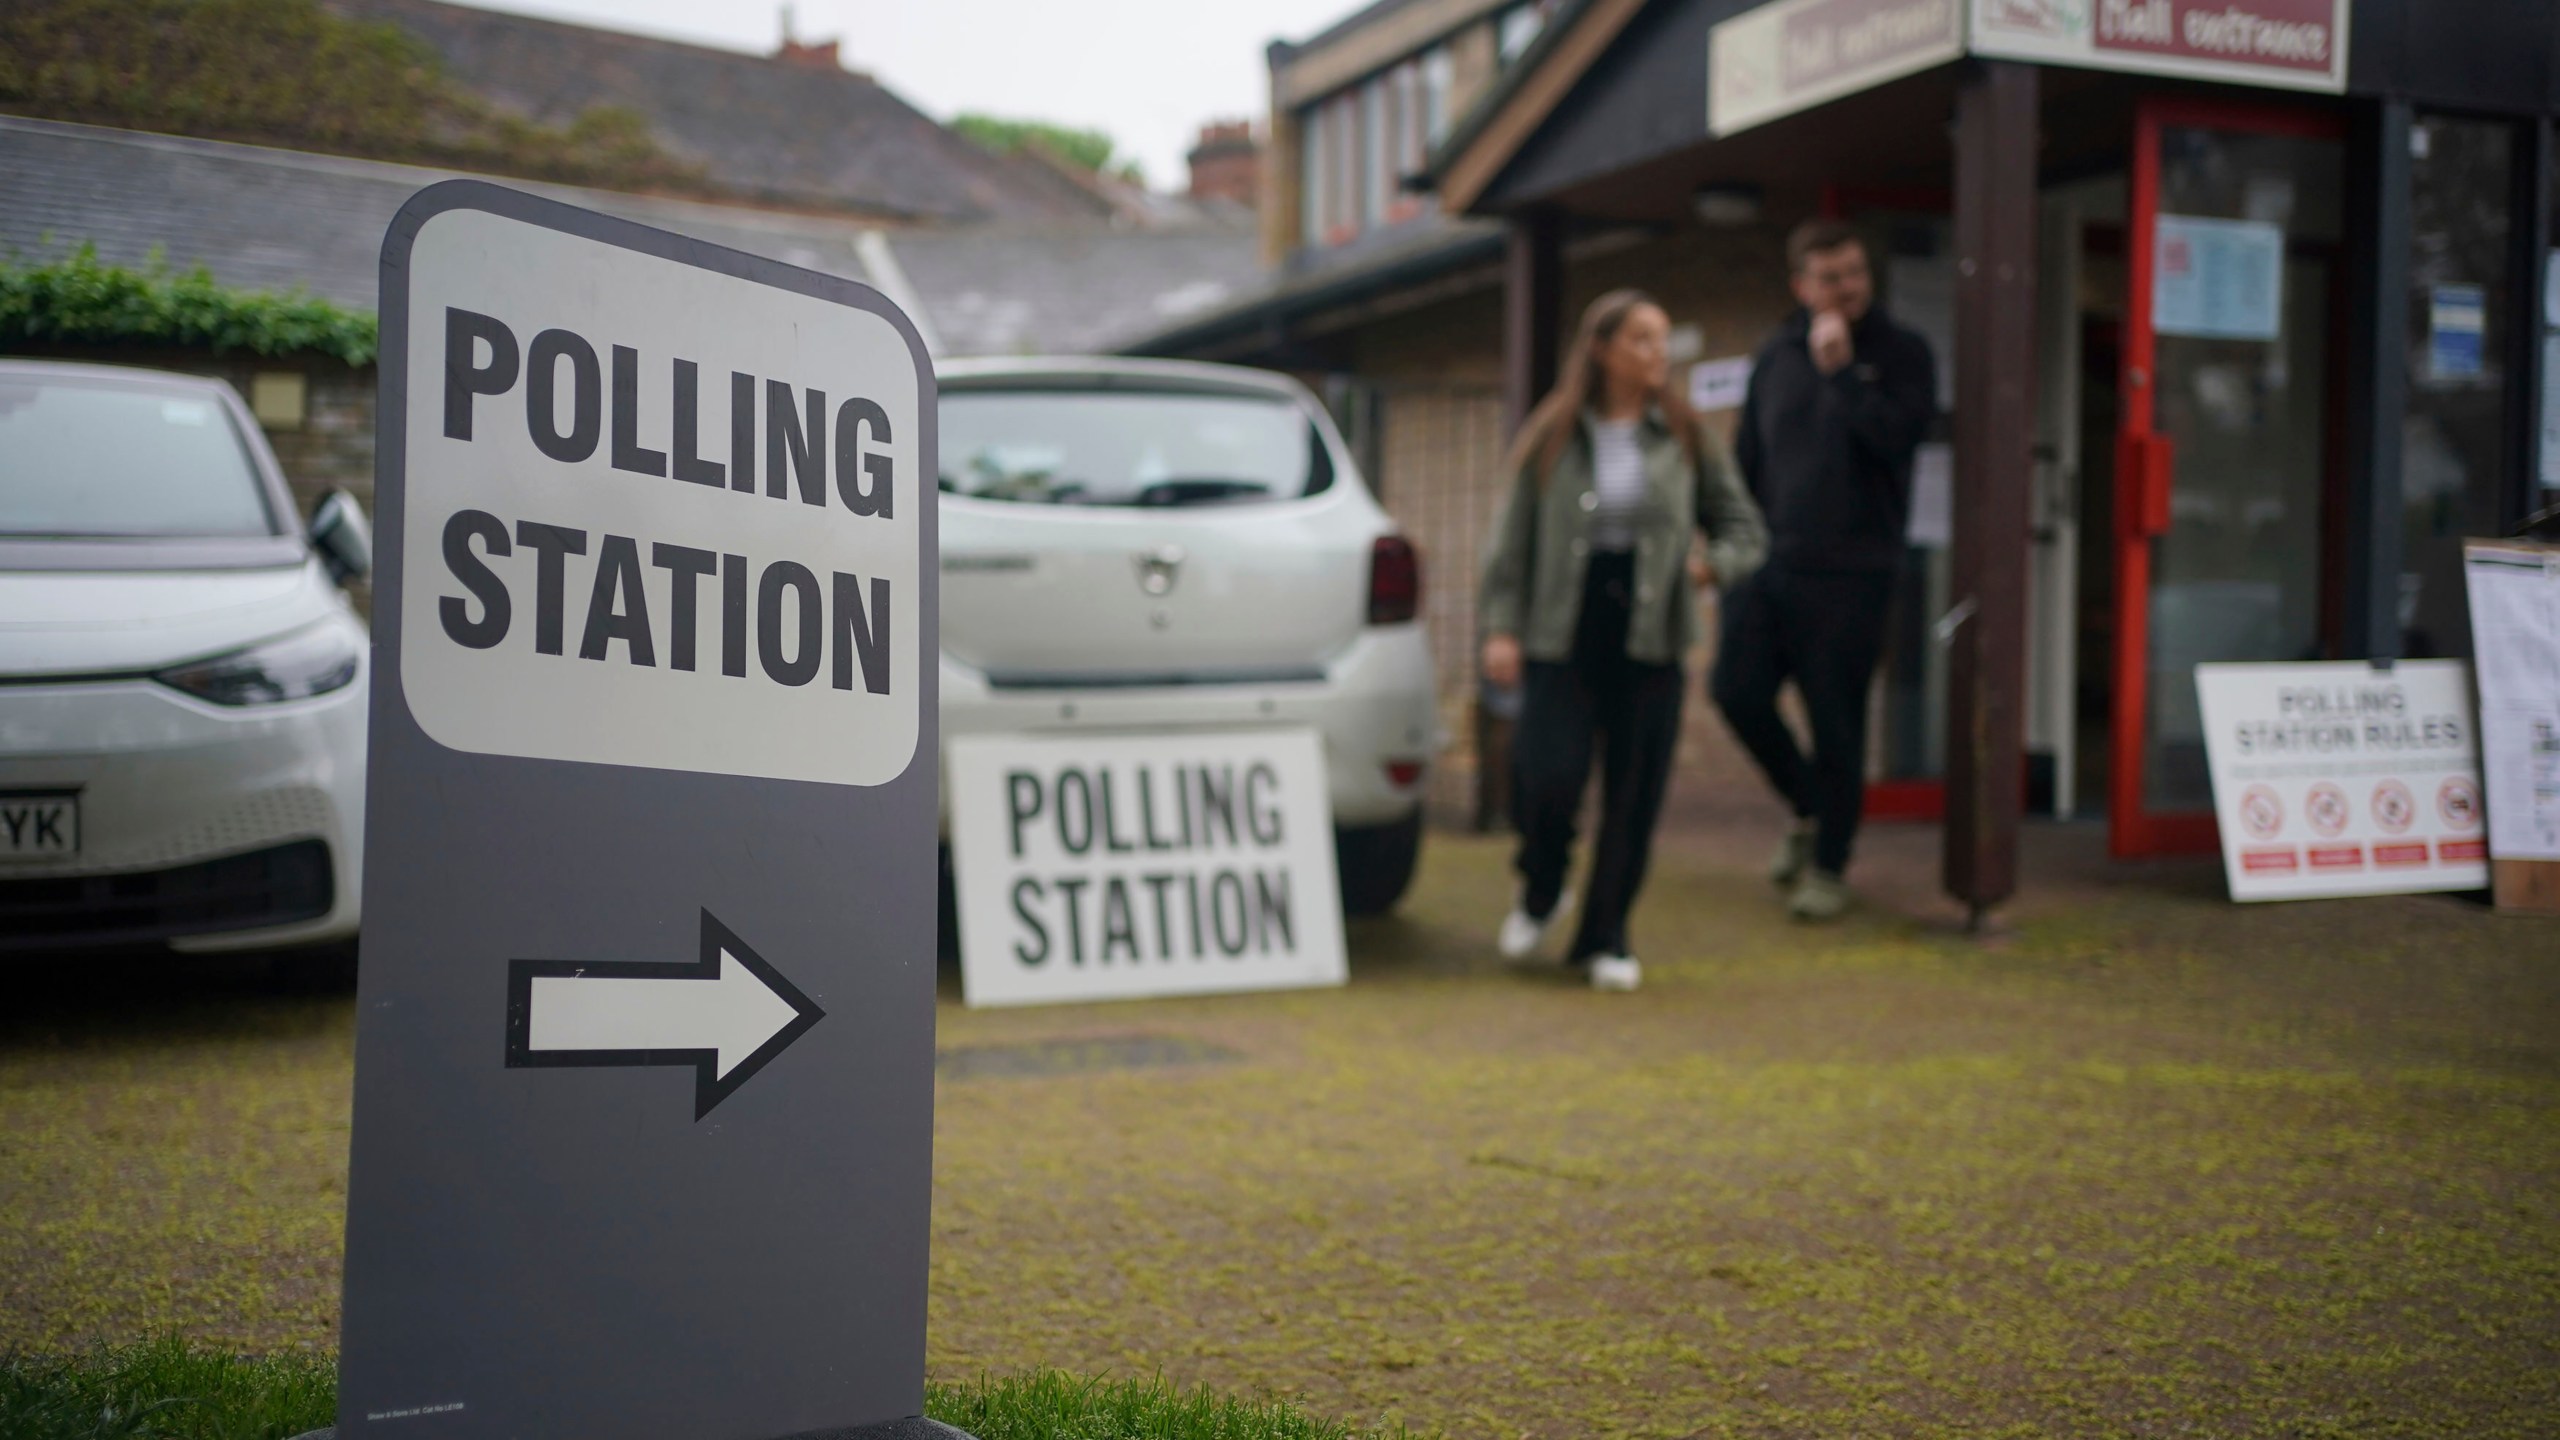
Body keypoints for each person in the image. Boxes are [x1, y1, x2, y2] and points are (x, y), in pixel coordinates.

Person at [1478, 289, 1767, 991]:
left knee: (1634, 795)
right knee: (1546, 778)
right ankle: (1542, 887)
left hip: (1651, 634)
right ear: (1602, 348)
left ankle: (1606, 936)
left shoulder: (1686, 434)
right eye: (1641, 338)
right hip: (1561, 628)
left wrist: (1706, 568)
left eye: (1663, 339)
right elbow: (1510, 542)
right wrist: (1501, 627)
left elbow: (1745, 529)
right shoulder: (1552, 432)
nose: (1656, 353)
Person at [1711, 219, 1937, 922]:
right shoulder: (1775, 354)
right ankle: (1809, 807)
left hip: (1854, 574)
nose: (1847, 289)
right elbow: (1748, 459)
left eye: (1855, 274)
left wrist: (1842, 374)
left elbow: (1900, 441)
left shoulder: (1901, 353)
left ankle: (1831, 866)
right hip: (1771, 563)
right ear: (1801, 285)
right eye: (1831, 277)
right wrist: (1728, 543)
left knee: (1836, 721)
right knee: (1736, 691)